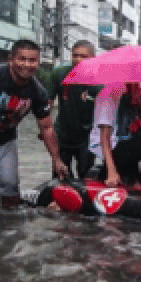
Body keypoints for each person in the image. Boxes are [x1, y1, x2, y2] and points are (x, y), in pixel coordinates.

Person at [0, 39, 68, 211]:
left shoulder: (37, 91)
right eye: (22, 59)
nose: (27, 65)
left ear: (38, 62)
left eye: (32, 60)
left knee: (11, 194)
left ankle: (8, 226)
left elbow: (47, 127)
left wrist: (56, 159)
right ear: (11, 59)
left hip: (6, 143)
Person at [47, 40, 101, 178]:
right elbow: (48, 104)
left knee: (86, 174)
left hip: (87, 136)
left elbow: (105, 112)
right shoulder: (59, 73)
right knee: (60, 175)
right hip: (62, 133)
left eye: (83, 56)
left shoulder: (99, 80)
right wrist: (46, 130)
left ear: (93, 58)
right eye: (75, 55)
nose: (78, 59)